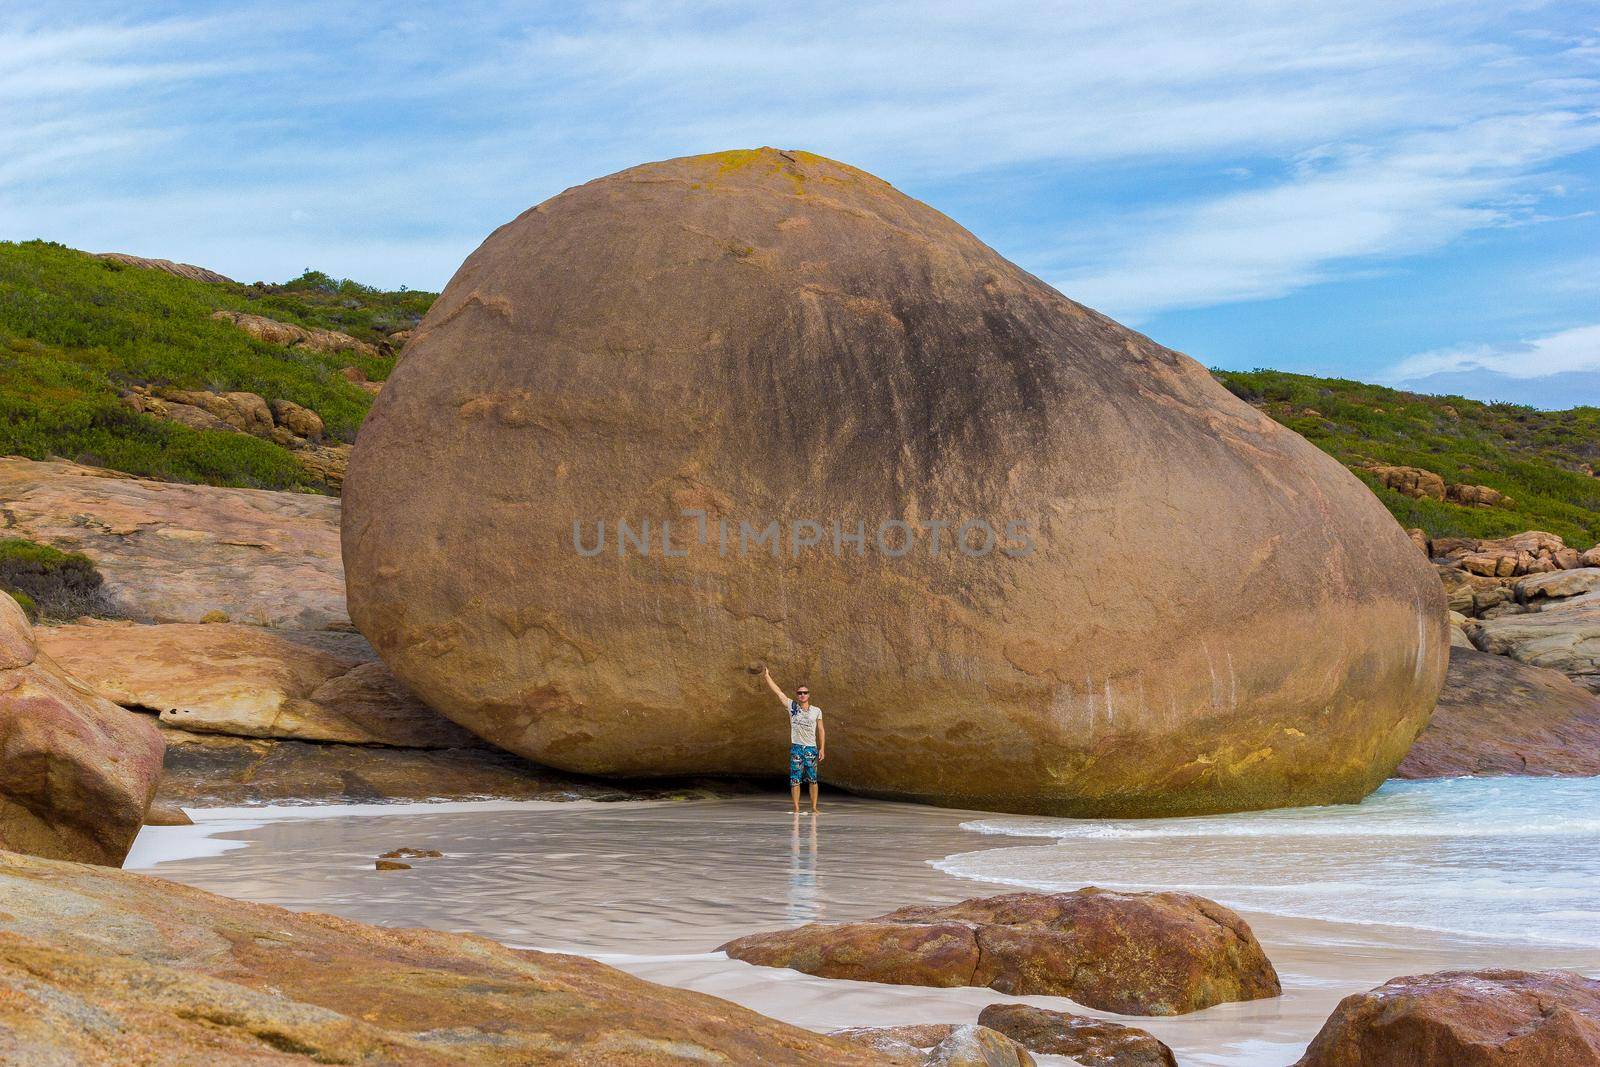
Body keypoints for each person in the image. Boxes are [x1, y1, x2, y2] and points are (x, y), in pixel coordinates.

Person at [762, 667, 824, 813]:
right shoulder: (792, 707)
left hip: (811, 748)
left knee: (813, 779)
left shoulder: (816, 710)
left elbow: (821, 730)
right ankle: (796, 807)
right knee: (795, 779)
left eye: (805, 693)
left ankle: (814, 807)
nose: (802, 695)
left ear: (809, 695)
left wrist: (822, 748)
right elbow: (778, 692)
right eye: (800, 693)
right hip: (797, 747)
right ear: (797, 695)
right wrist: (767, 676)